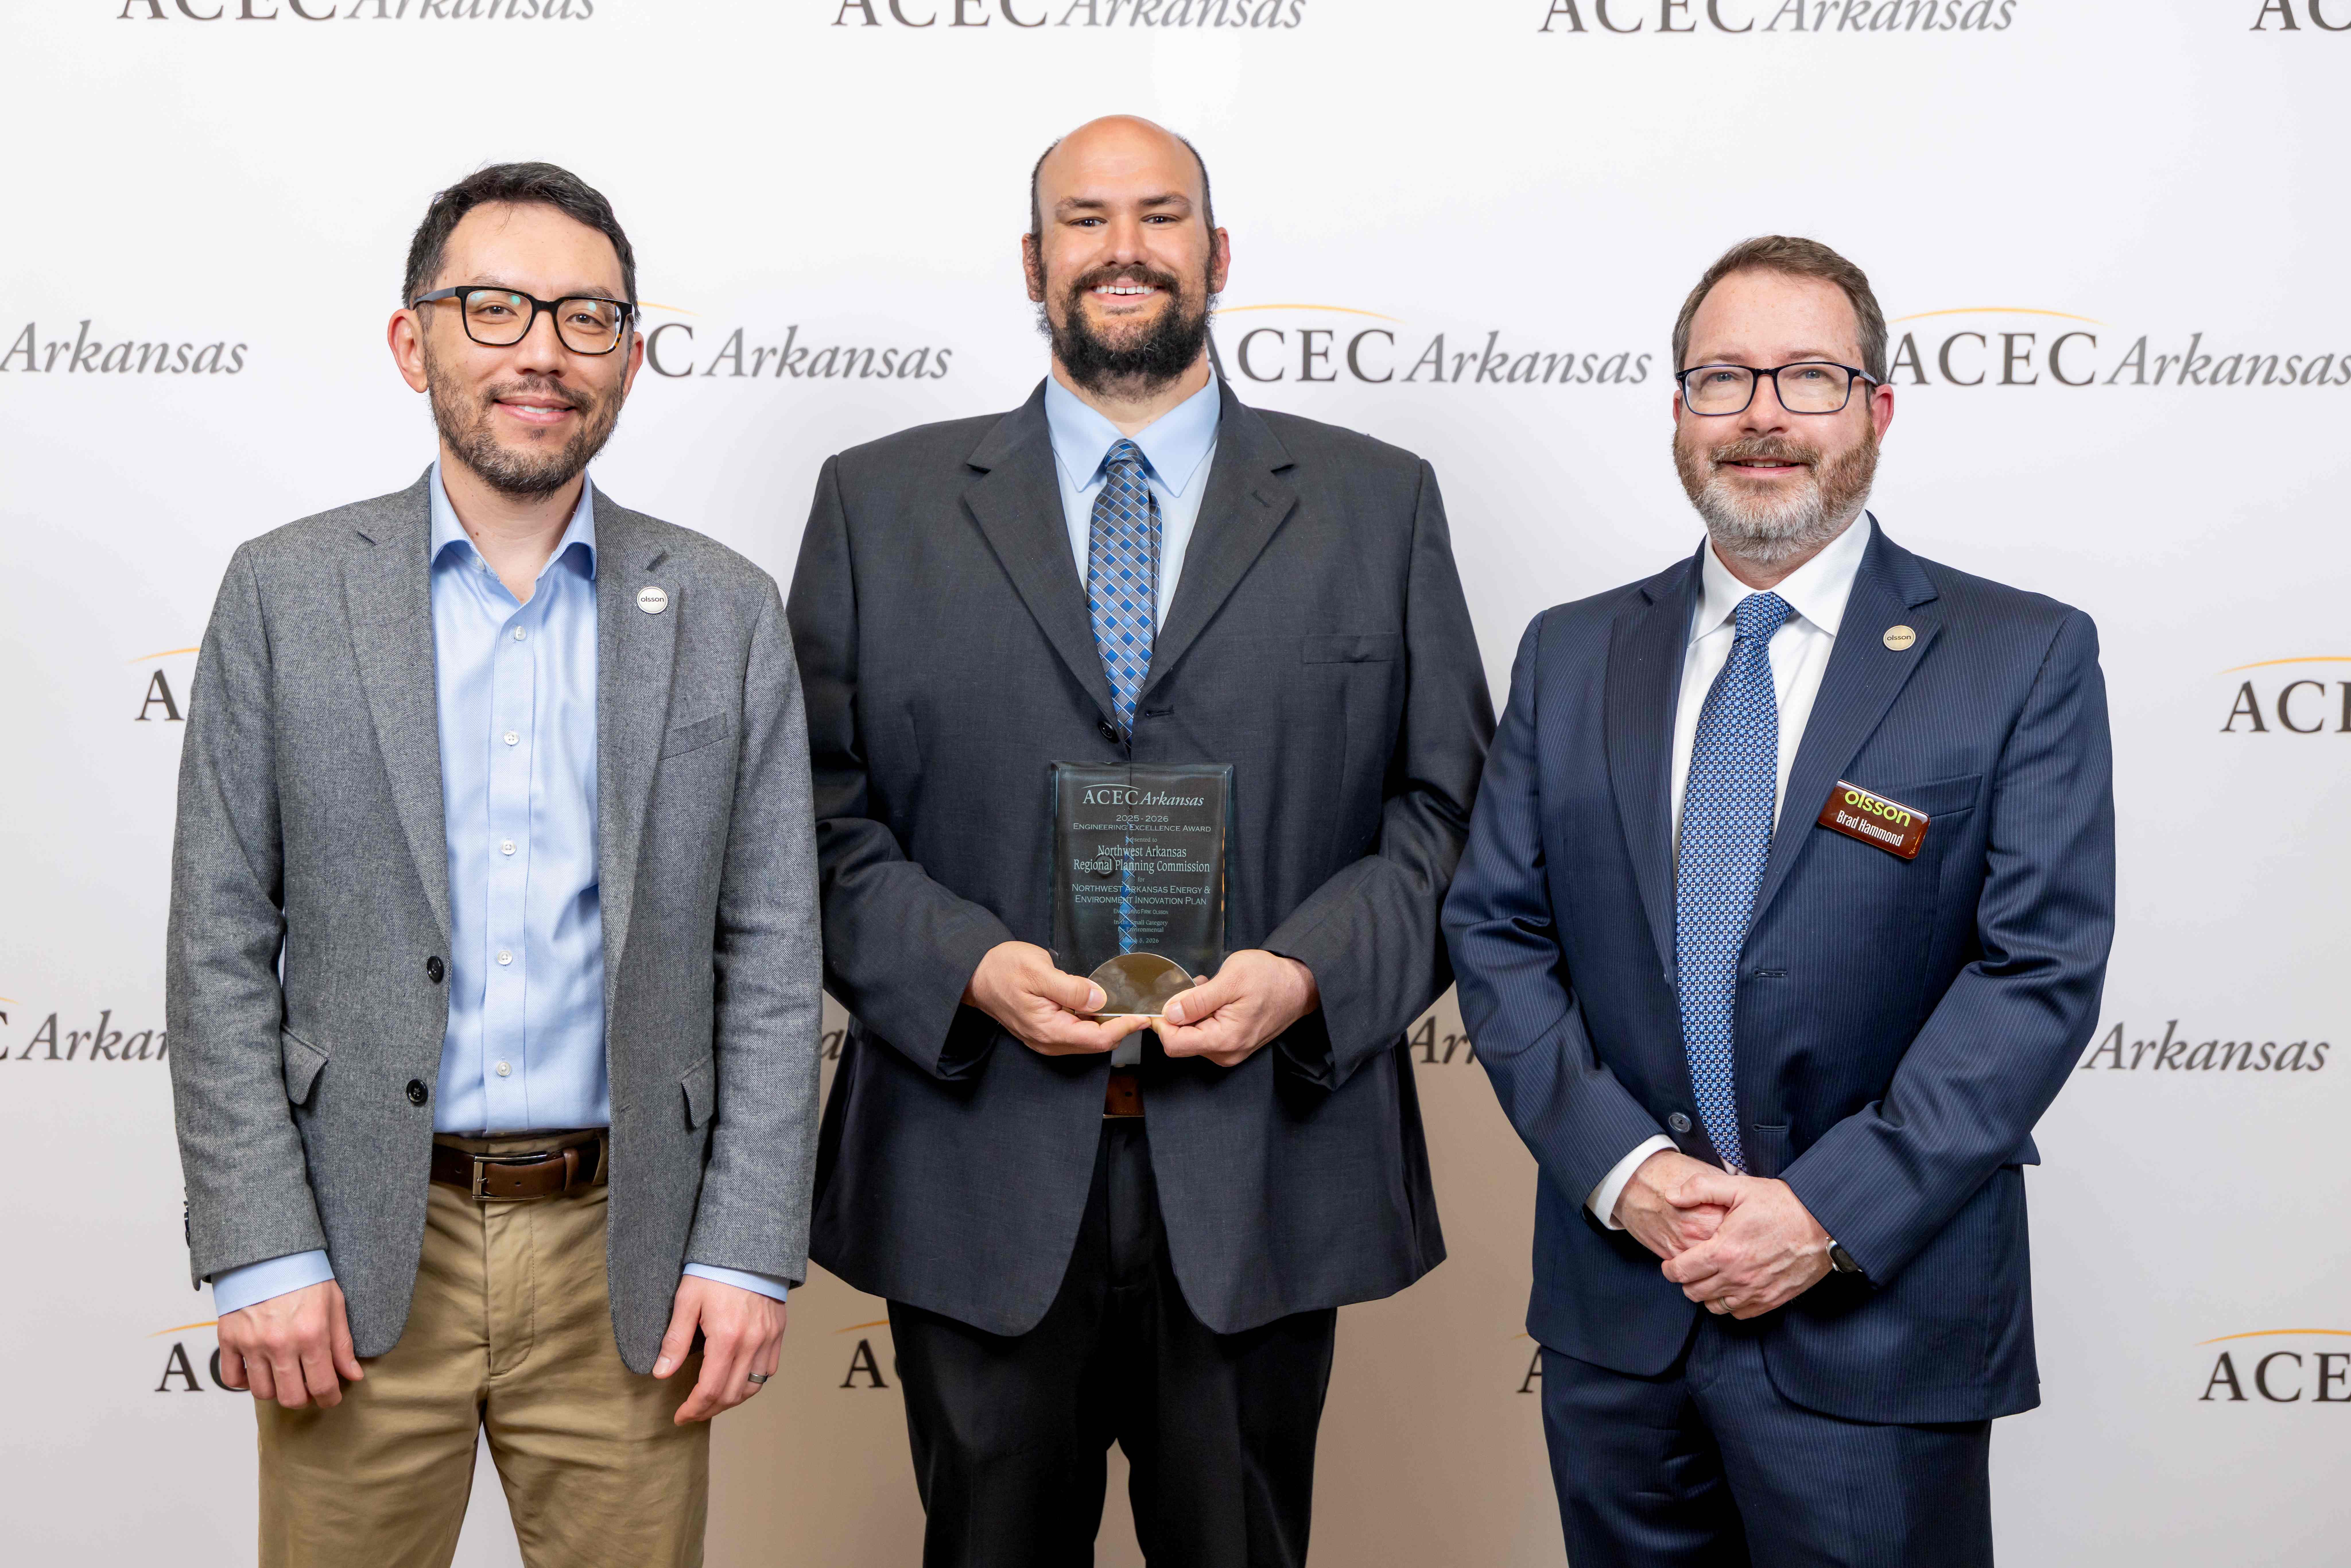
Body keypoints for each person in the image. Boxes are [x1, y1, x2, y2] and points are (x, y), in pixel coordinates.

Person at [787, 116, 1492, 1567]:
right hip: (973, 1162)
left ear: (1216, 254)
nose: (1124, 249)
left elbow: (1447, 814)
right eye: (1085, 218)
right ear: (1031, 261)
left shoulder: (1377, 504)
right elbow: (809, 814)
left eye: (1160, 216)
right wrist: (963, 964)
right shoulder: (875, 503)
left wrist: (1306, 974)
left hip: (1261, 1166)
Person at [165, 162, 824, 1568]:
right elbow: (217, 940)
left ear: (629, 357)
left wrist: (744, 1248)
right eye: (494, 308)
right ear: (413, 342)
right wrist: (263, 1244)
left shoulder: (724, 608)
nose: (542, 350)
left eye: (588, 317)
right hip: (354, 1248)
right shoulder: (285, 592)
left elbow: (774, 956)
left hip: (627, 1258)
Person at [1442, 235, 2115, 1567]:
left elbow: (2034, 972)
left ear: (1876, 408)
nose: (1760, 413)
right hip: (1622, 1314)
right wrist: (1628, 1174)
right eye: (1722, 378)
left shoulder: (2019, 654)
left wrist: (1819, 1215)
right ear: (1676, 411)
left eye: (1808, 376)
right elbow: (1496, 930)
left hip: (1875, 1318)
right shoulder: (1570, 652)